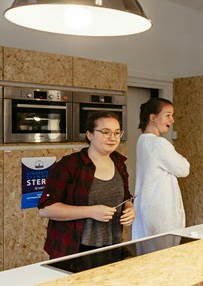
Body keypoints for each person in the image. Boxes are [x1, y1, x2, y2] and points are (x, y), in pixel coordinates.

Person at [38, 111, 135, 259]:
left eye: (117, 133)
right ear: (89, 135)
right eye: (105, 132)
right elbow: (46, 209)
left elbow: (125, 197)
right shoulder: (69, 165)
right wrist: (90, 211)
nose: (112, 138)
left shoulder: (119, 163)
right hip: (74, 251)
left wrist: (129, 208)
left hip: (112, 245)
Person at [132, 98, 189, 240]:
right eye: (168, 115)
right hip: (161, 215)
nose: (172, 120)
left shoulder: (142, 140)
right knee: (165, 257)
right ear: (153, 117)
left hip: (148, 211)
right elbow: (184, 169)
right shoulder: (158, 143)